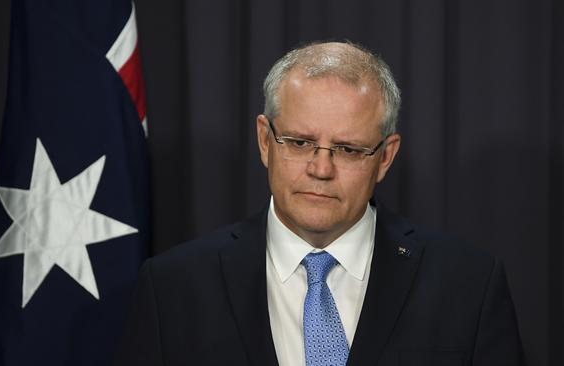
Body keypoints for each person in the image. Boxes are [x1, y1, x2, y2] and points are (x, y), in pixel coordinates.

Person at [116, 41, 524, 366]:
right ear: (264, 140)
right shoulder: (172, 288)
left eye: (347, 149)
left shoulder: (468, 286)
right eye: (299, 142)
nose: (321, 168)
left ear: (385, 156)